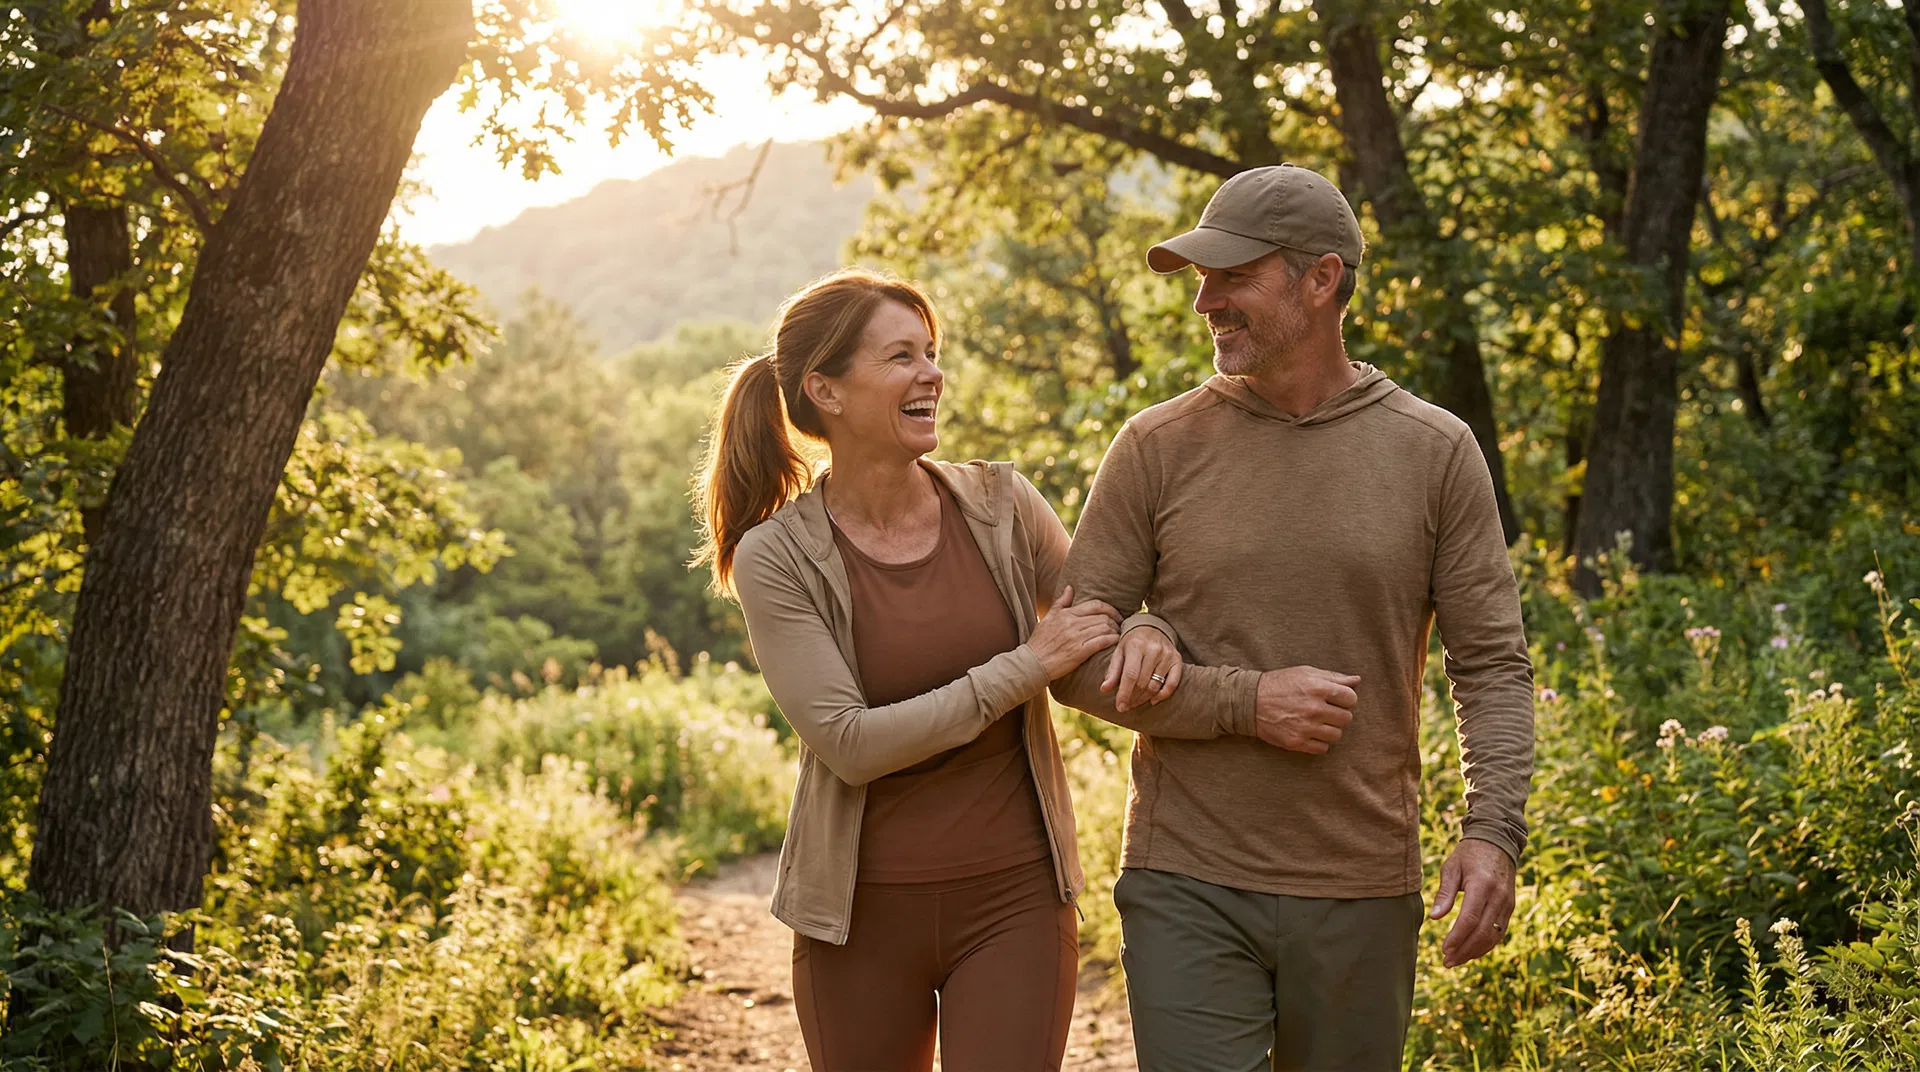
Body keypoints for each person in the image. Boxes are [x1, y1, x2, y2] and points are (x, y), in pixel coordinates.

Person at [1050, 164, 1537, 1072]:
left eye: (1233, 275)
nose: (1206, 301)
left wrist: (1491, 829)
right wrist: (1241, 702)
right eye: (1202, 277)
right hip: (1186, 876)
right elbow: (1073, 657)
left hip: (1360, 882)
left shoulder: (1435, 451)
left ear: (1321, 279)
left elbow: (1492, 667)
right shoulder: (1155, 446)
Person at [696, 268, 1235, 1072]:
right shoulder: (778, 555)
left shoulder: (1002, 505)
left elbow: (1101, 610)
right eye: (901, 357)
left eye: (932, 353)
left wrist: (1150, 628)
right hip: (856, 918)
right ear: (827, 391)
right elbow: (849, 742)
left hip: (1016, 898)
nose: (931, 375)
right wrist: (1025, 665)